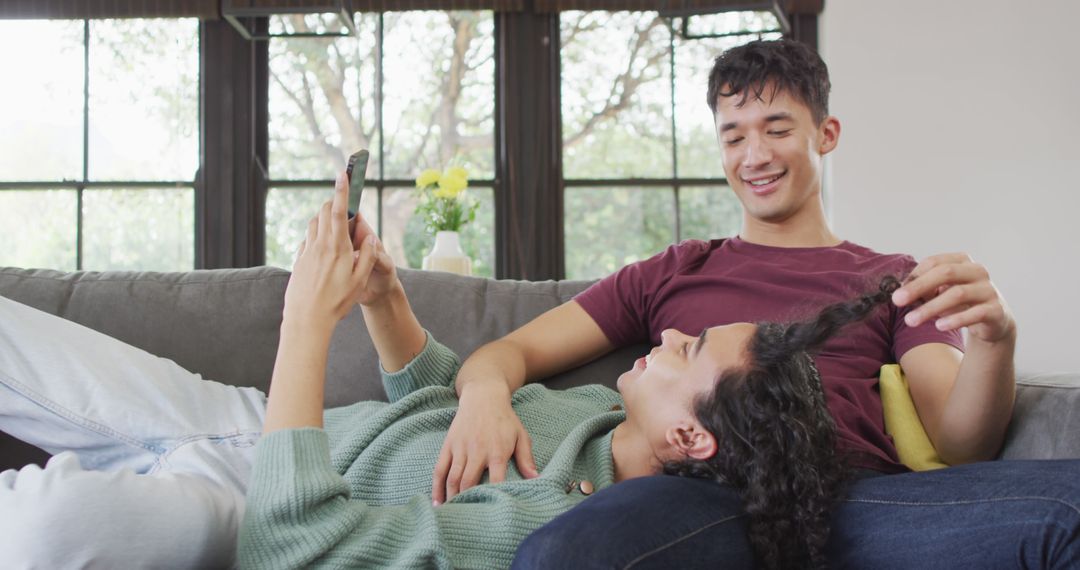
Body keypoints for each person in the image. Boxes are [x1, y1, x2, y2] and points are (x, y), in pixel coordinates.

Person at [0, 172, 897, 568]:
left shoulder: (550, 526)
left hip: (257, 498)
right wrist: (386, 300)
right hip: (234, 422)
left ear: (689, 435)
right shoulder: (589, 412)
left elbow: (294, 545)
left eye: (688, 351)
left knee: (51, 523)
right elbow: (429, 403)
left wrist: (304, 321)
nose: (665, 338)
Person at [417, 39, 1080, 568]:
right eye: (733, 135)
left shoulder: (891, 278)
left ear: (826, 134)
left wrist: (995, 341)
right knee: (569, 553)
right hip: (694, 495)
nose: (754, 154)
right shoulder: (674, 270)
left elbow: (958, 446)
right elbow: (511, 352)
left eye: (776, 128)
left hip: (851, 500)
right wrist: (482, 398)